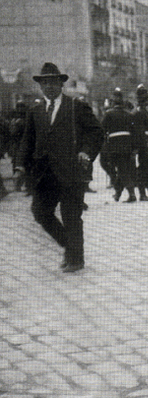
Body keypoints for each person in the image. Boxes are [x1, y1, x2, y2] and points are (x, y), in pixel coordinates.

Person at [13, 63, 103, 272]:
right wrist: (20, 166)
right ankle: (70, 247)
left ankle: (76, 259)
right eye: (45, 83)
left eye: (53, 82)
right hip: (44, 174)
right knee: (40, 212)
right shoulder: (35, 111)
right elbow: (27, 141)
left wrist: (86, 152)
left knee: (72, 216)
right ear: (40, 86)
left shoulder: (76, 107)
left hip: (71, 172)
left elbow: (96, 132)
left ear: (61, 84)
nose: (49, 87)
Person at [100, 88, 137, 202]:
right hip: (127, 145)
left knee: (122, 171)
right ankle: (118, 193)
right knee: (123, 169)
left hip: (114, 146)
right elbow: (134, 132)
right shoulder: (129, 115)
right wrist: (134, 148)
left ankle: (131, 194)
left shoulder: (108, 114)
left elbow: (102, 130)